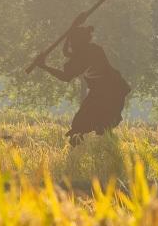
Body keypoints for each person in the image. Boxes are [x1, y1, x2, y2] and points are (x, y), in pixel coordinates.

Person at [34, 13, 131, 146]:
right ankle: (77, 156)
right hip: (99, 93)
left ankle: (111, 155)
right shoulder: (90, 50)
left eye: (73, 42)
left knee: (102, 127)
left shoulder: (88, 55)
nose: (71, 45)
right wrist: (72, 27)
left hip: (112, 93)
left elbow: (66, 76)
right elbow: (67, 52)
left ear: (78, 43)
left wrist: (44, 66)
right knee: (79, 125)